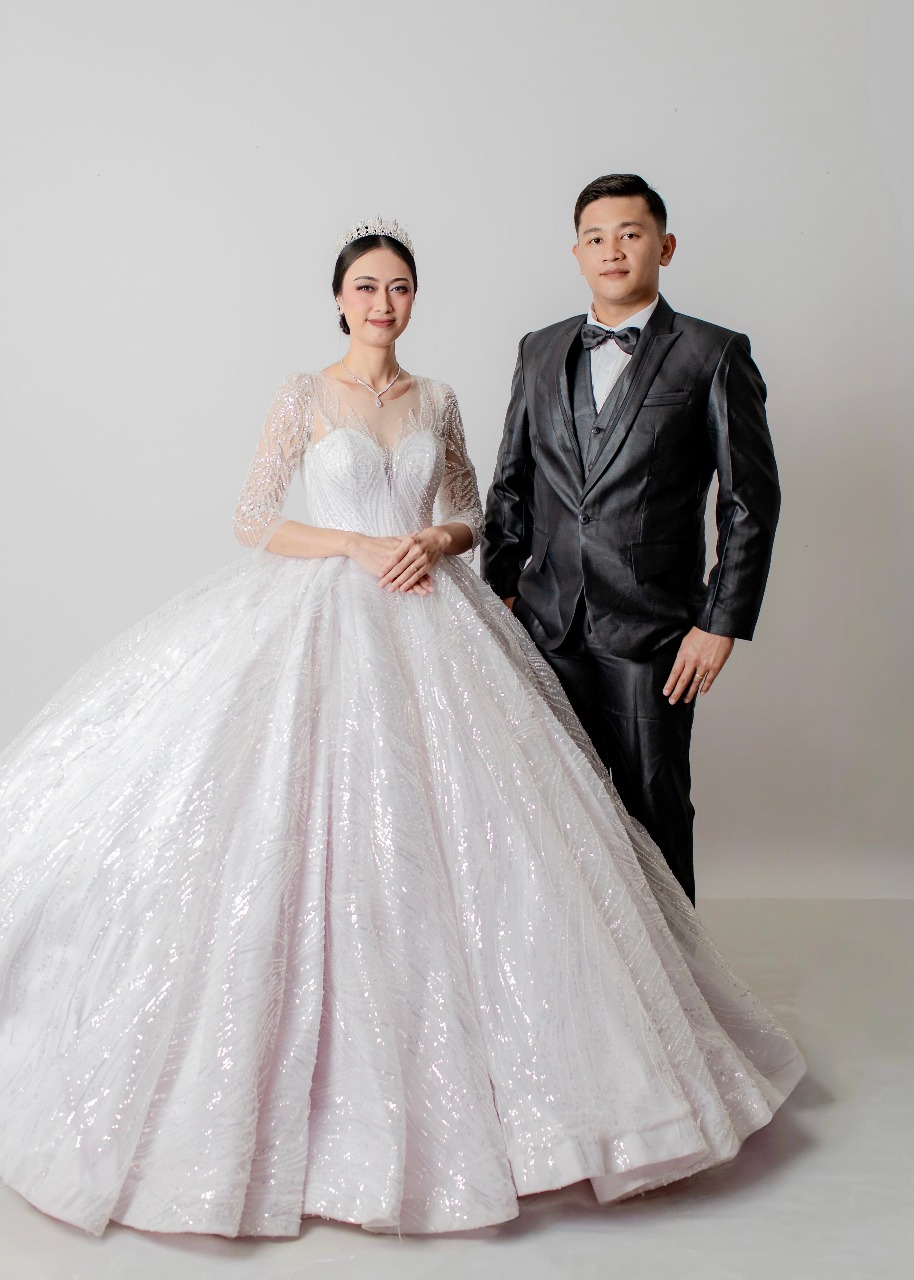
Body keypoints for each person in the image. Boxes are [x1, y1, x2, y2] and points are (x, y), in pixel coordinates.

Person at [0, 218, 803, 1241]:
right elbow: (253, 517)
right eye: (367, 287)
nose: (383, 303)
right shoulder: (302, 394)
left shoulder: (437, 398)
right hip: (327, 614)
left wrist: (430, 537)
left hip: (432, 613)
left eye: (399, 288)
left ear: (413, 300)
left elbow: (474, 509)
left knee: (490, 836)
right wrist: (354, 546)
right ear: (340, 299)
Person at [482, 174, 781, 905]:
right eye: (596, 237)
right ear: (577, 254)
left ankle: (674, 972)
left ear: (664, 246)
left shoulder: (711, 353)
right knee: (551, 813)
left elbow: (750, 502)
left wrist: (719, 623)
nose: (612, 250)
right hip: (546, 625)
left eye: (630, 234)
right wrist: (500, 597)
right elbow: (512, 481)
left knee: (654, 808)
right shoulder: (539, 349)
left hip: (655, 632)